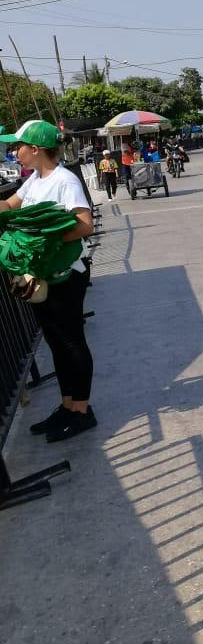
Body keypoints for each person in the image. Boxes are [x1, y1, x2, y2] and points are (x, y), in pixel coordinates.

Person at [0, 121, 97, 442]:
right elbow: (9, 206)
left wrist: (46, 239)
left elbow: (84, 225)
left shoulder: (64, 180)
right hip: (45, 272)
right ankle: (68, 406)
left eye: (18, 147)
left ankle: (82, 411)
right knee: (55, 341)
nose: (15, 152)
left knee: (71, 341)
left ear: (36, 149)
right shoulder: (33, 182)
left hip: (67, 273)